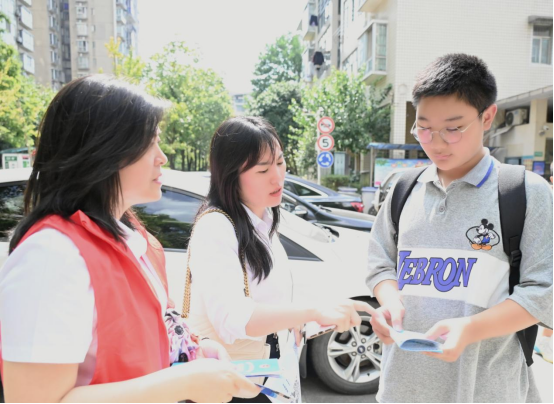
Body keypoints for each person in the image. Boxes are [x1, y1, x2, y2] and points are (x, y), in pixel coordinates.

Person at [0, 76, 260, 403]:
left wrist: (196, 350)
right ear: (105, 150)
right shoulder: (51, 255)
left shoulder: (134, 238)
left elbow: (147, 338)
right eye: (150, 142)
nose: (162, 157)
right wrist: (183, 383)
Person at [367, 54, 553, 402]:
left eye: (453, 129)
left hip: (486, 392)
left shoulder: (525, 192)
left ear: (487, 117)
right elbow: (380, 263)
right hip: (400, 389)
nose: (436, 142)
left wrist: (470, 328)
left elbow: (544, 292)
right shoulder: (404, 190)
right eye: (424, 127)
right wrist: (390, 302)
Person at [186, 116, 375, 403]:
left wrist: (303, 321)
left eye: (280, 161)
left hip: (268, 378)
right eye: (263, 170)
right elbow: (233, 319)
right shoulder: (216, 226)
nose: (277, 177)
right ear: (230, 175)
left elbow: (269, 300)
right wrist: (312, 311)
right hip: (234, 385)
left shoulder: (263, 220)